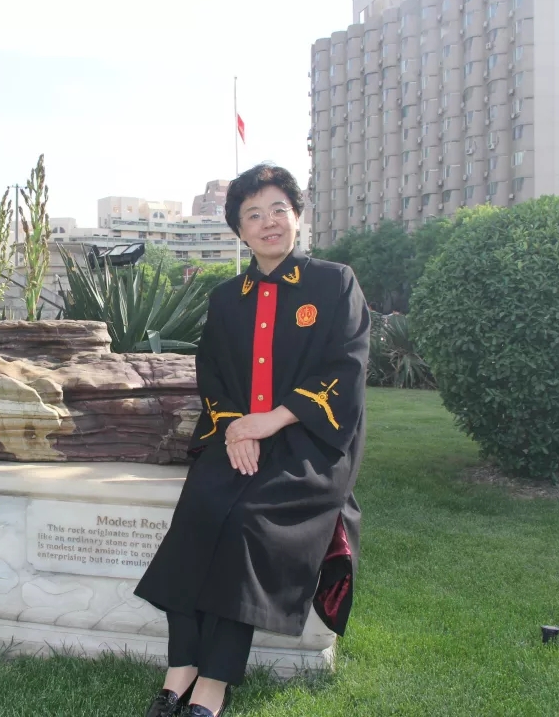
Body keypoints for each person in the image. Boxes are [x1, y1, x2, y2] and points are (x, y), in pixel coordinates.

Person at [135, 164, 370, 717]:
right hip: (237, 434)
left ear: (297, 216)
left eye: (278, 210)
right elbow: (213, 373)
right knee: (198, 513)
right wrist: (236, 427)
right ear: (239, 230)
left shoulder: (334, 283)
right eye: (254, 215)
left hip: (310, 440)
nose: (269, 223)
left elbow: (347, 367)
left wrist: (271, 421)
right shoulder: (226, 298)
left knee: (246, 522)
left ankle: (213, 684)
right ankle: (181, 667)